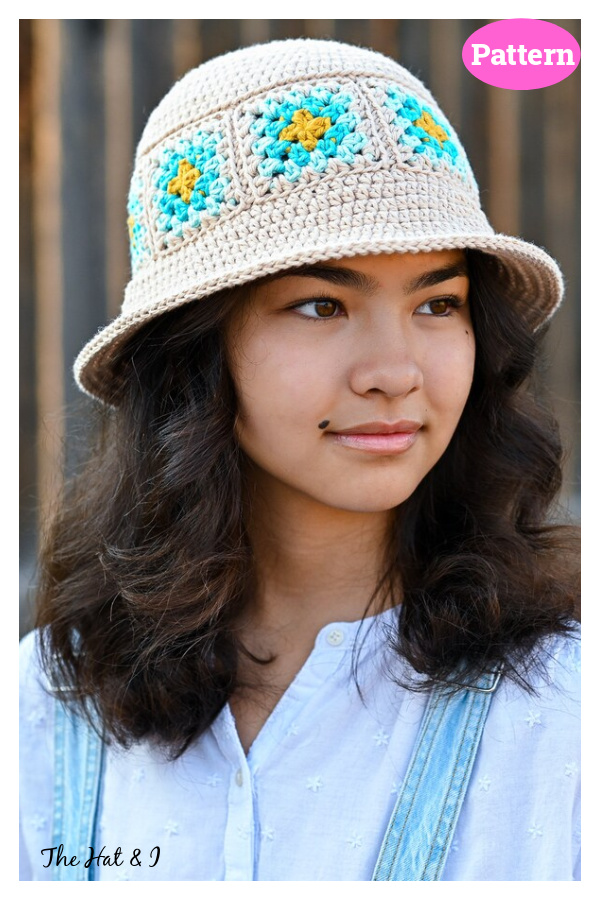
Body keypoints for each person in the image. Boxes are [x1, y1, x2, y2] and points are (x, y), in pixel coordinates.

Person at [19, 38, 580, 881]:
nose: (395, 372)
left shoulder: (565, 716)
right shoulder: (47, 710)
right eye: (321, 304)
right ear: (194, 352)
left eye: (438, 303)